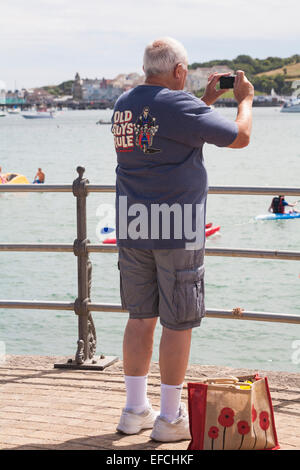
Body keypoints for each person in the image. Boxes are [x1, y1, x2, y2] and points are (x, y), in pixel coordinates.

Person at [112, 37, 254, 442]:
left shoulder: (124, 104)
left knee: (140, 318)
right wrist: (243, 99)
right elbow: (239, 137)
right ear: (178, 71)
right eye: (186, 71)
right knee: (178, 323)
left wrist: (204, 100)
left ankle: (135, 410)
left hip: (134, 224)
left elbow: (165, 132)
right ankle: (170, 419)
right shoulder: (178, 105)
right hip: (177, 227)